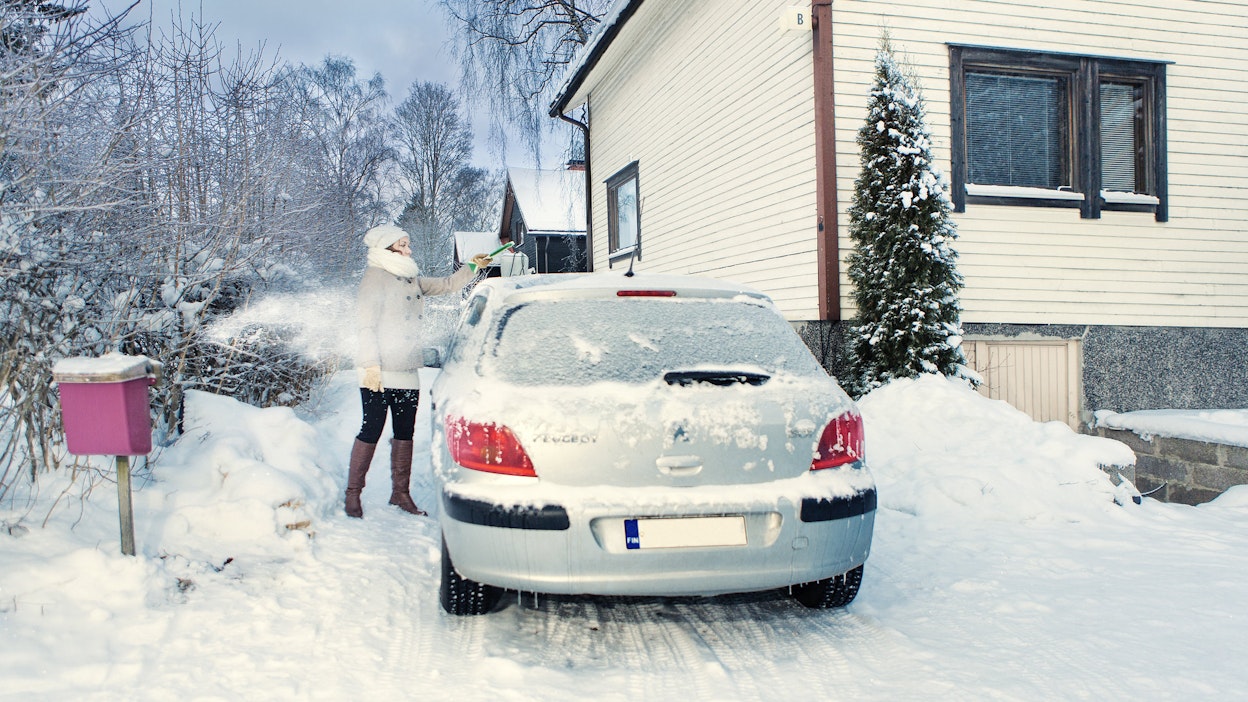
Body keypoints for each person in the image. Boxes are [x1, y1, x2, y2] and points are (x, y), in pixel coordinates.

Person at [345, 224, 490, 518]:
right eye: (403, 244)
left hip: (407, 367)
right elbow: (365, 325)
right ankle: (353, 493)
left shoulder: (410, 279)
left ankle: (401, 494)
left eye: (408, 244)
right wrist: (370, 364)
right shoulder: (375, 278)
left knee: (405, 432)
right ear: (388, 248)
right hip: (379, 369)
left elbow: (448, 284)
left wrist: (473, 265)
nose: (409, 249)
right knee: (371, 429)